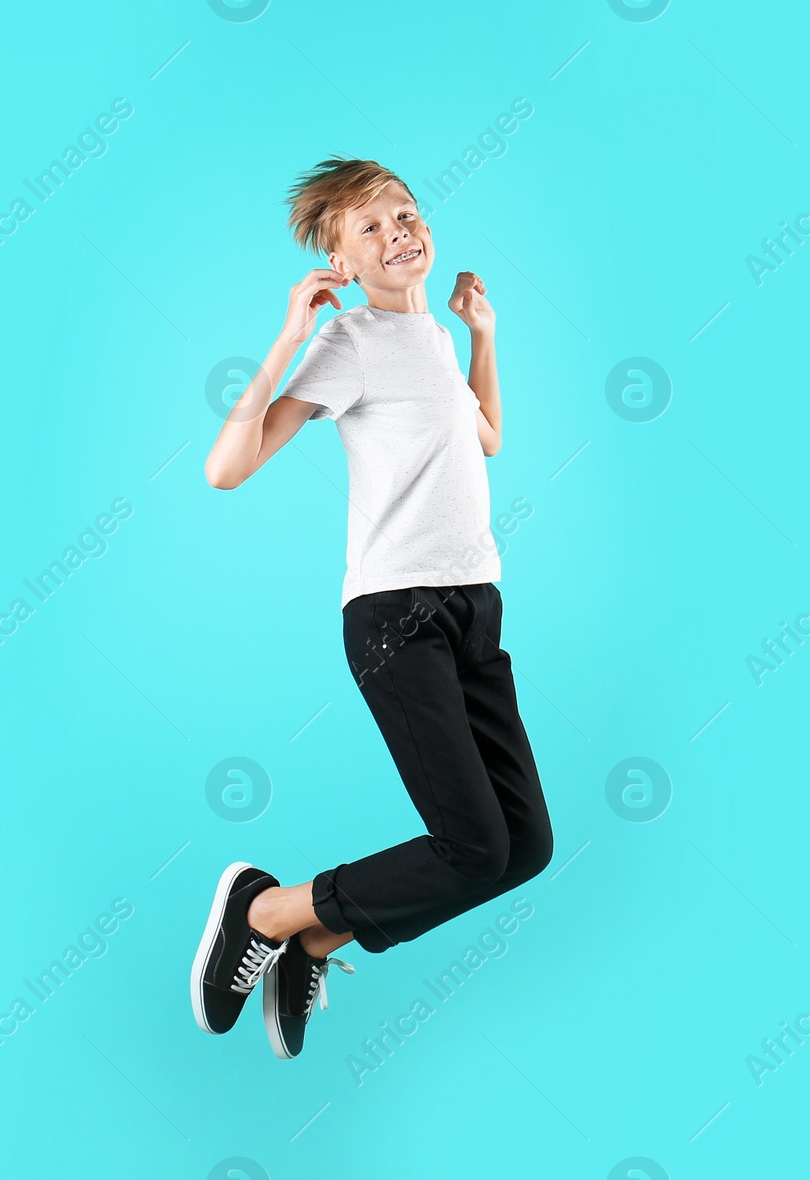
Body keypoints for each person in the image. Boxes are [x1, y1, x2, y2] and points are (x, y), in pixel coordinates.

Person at [189, 157, 553, 1060]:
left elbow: (489, 436)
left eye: (407, 213)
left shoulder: (431, 340)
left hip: (475, 609)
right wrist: (286, 336)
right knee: (473, 846)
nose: (400, 232)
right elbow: (226, 468)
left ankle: (313, 936)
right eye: (372, 227)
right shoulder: (347, 342)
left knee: (525, 847)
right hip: (396, 618)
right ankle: (266, 909)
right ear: (342, 263)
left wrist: (483, 335)